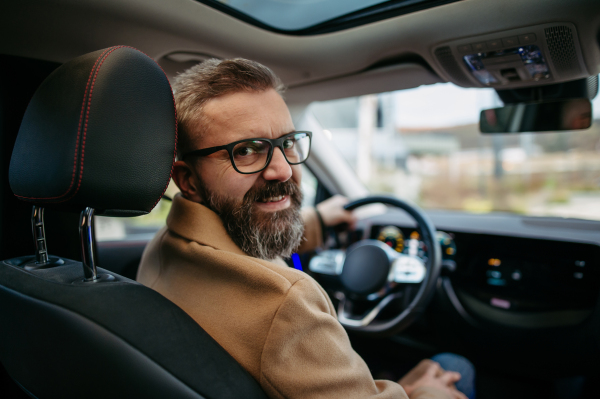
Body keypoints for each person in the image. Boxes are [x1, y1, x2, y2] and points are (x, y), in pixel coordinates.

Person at [137, 58, 471, 399]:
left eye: (288, 142)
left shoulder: (166, 244)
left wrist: (319, 222)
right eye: (247, 151)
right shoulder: (287, 303)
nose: (283, 170)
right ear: (188, 180)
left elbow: (245, 234)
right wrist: (427, 392)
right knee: (455, 368)